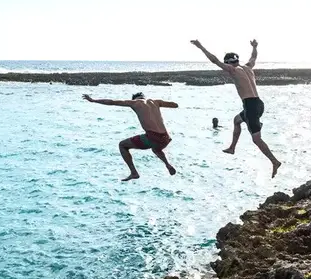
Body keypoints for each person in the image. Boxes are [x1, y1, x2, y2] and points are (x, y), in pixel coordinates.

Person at [190, 38, 282, 178]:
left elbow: (214, 60)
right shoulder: (248, 67)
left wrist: (200, 47)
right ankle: (232, 147)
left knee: (256, 139)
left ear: (228, 63)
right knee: (237, 120)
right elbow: (253, 57)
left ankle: (274, 161)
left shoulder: (231, 69)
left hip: (250, 106)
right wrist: (255, 46)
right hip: (259, 104)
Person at [82, 92, 178, 181]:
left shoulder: (135, 103)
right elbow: (175, 105)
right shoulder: (156, 102)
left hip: (152, 138)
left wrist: (93, 100)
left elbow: (112, 102)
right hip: (165, 138)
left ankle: (134, 172)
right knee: (156, 149)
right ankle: (167, 164)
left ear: (134, 99)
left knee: (122, 145)